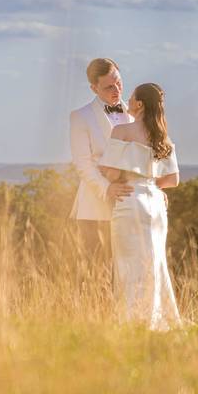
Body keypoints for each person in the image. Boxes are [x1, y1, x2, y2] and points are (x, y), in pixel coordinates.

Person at [97, 82, 180, 330]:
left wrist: (113, 173)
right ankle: (158, 321)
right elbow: (172, 180)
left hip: (130, 199)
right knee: (155, 263)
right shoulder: (162, 136)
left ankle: (132, 322)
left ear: (140, 104)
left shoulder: (121, 131)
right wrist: (152, 185)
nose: (128, 101)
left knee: (128, 264)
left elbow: (112, 173)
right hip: (155, 202)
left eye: (131, 98)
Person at [69, 58, 135, 261]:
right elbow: (83, 164)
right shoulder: (80, 116)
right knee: (96, 275)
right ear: (94, 88)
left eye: (119, 82)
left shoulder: (135, 115)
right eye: (108, 87)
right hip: (94, 208)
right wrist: (107, 188)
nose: (117, 90)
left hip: (130, 206)